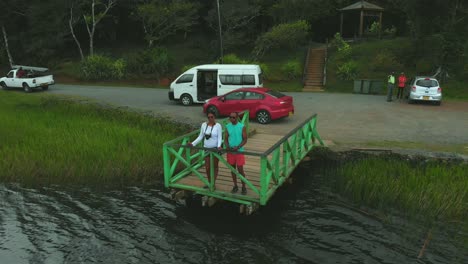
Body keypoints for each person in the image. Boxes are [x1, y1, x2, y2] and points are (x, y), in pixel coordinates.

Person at [188, 111, 222, 188]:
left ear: (214, 117)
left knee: (215, 166)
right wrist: (193, 144)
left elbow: (220, 137)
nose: (210, 119)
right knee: (207, 167)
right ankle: (209, 182)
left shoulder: (218, 126)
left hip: (215, 149)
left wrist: (219, 146)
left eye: (212, 117)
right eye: (209, 117)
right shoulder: (204, 125)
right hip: (206, 148)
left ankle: (213, 183)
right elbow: (200, 136)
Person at [225, 112, 248, 195]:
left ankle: (244, 186)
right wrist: (227, 146)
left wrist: (238, 147)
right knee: (232, 169)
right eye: (230, 117)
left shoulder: (242, 127)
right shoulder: (227, 126)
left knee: (240, 169)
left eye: (234, 117)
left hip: (239, 151)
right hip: (230, 151)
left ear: (237, 117)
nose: (232, 119)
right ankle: (235, 185)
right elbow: (226, 139)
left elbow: (245, 139)